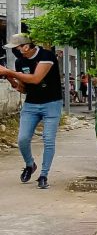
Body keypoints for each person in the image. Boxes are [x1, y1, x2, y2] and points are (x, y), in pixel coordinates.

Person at [0, 34, 64, 189]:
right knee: (22, 139)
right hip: (31, 105)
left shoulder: (46, 56)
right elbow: (23, 88)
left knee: (48, 139)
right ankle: (30, 165)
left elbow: (36, 79)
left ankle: (43, 175)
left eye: (15, 48)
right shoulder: (19, 62)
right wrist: (9, 77)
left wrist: (9, 72)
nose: (14, 52)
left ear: (26, 47)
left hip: (51, 104)